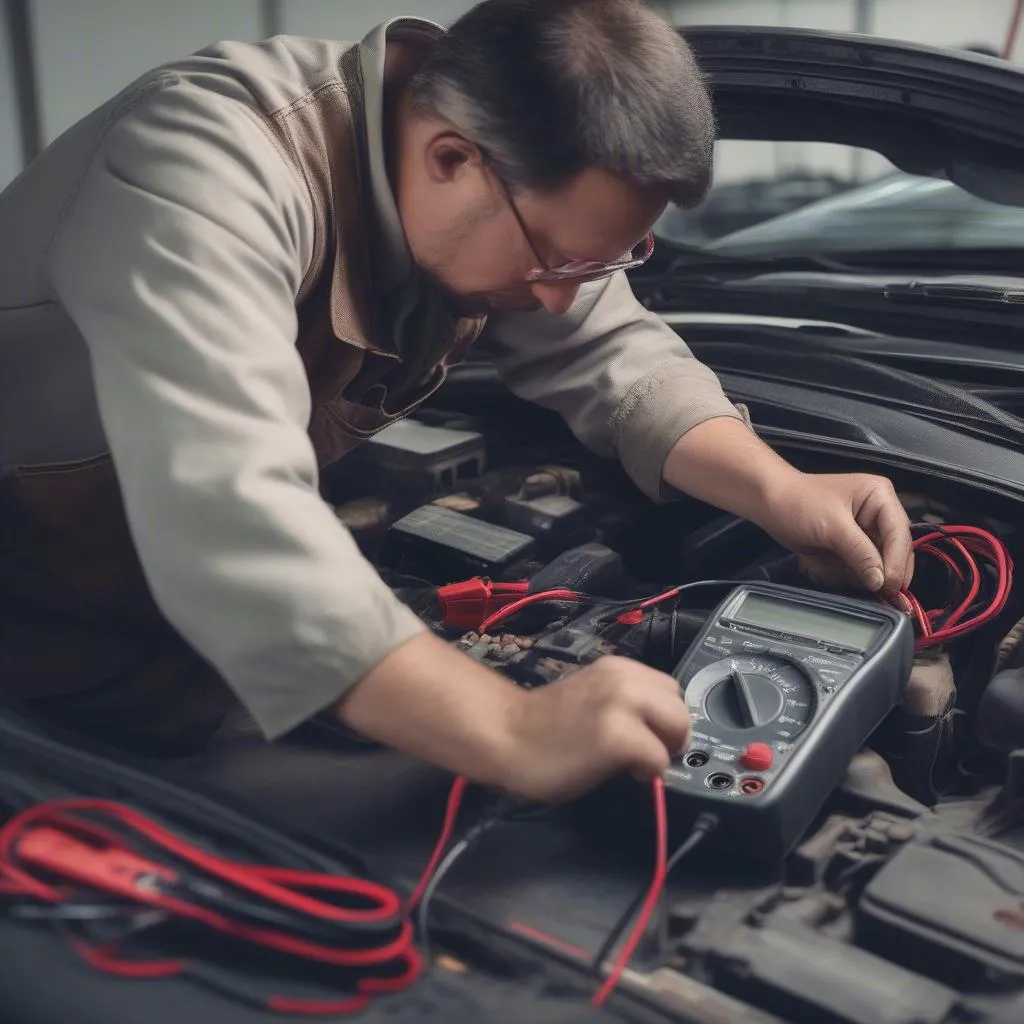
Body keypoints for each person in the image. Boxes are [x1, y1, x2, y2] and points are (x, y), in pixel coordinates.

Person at [0, 0, 913, 803]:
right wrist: (514, 730)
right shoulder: (202, 170)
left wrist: (779, 489)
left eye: (607, 261)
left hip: (170, 623)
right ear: (450, 158)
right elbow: (229, 511)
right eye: (558, 259)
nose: (563, 294)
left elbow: (614, 349)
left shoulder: (499, 179)